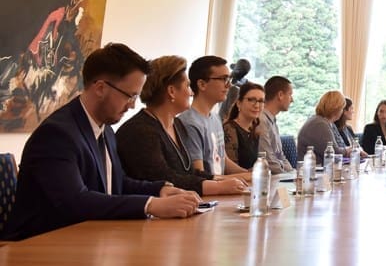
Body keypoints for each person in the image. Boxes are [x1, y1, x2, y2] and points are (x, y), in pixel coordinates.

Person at [1, 43, 199, 241]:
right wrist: (150, 205)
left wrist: (160, 189)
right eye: (130, 96)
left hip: (87, 238)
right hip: (38, 245)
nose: (131, 106)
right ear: (101, 88)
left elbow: (116, 183)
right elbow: (75, 202)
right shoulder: (56, 135)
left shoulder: (106, 129)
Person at [116, 55, 248, 196]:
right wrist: (218, 187)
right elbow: (164, 179)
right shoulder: (140, 131)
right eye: (187, 86)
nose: (191, 92)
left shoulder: (176, 124)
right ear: (172, 91)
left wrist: (223, 180)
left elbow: (188, 173)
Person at [176, 56, 249, 177]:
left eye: (229, 79)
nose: (229, 85)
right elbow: (199, 176)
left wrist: (251, 174)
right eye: (224, 79)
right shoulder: (189, 123)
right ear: (202, 84)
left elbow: (223, 160)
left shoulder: (215, 118)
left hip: (221, 186)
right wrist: (244, 177)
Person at [223, 82, 265, 170]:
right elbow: (228, 168)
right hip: (236, 178)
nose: (257, 105)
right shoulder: (229, 128)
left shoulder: (255, 129)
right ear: (239, 103)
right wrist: (251, 175)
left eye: (261, 101)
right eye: (251, 100)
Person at [297, 90, 347, 163]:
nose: (342, 111)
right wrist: (349, 151)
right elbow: (334, 152)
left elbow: (338, 146)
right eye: (342, 108)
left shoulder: (325, 122)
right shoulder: (319, 124)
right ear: (336, 108)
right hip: (313, 168)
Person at [259, 75, 294, 173]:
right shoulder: (261, 120)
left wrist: (293, 173)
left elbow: (280, 156)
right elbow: (268, 161)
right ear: (280, 95)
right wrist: (287, 176)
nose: (292, 100)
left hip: (277, 175)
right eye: (290, 94)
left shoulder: (272, 120)